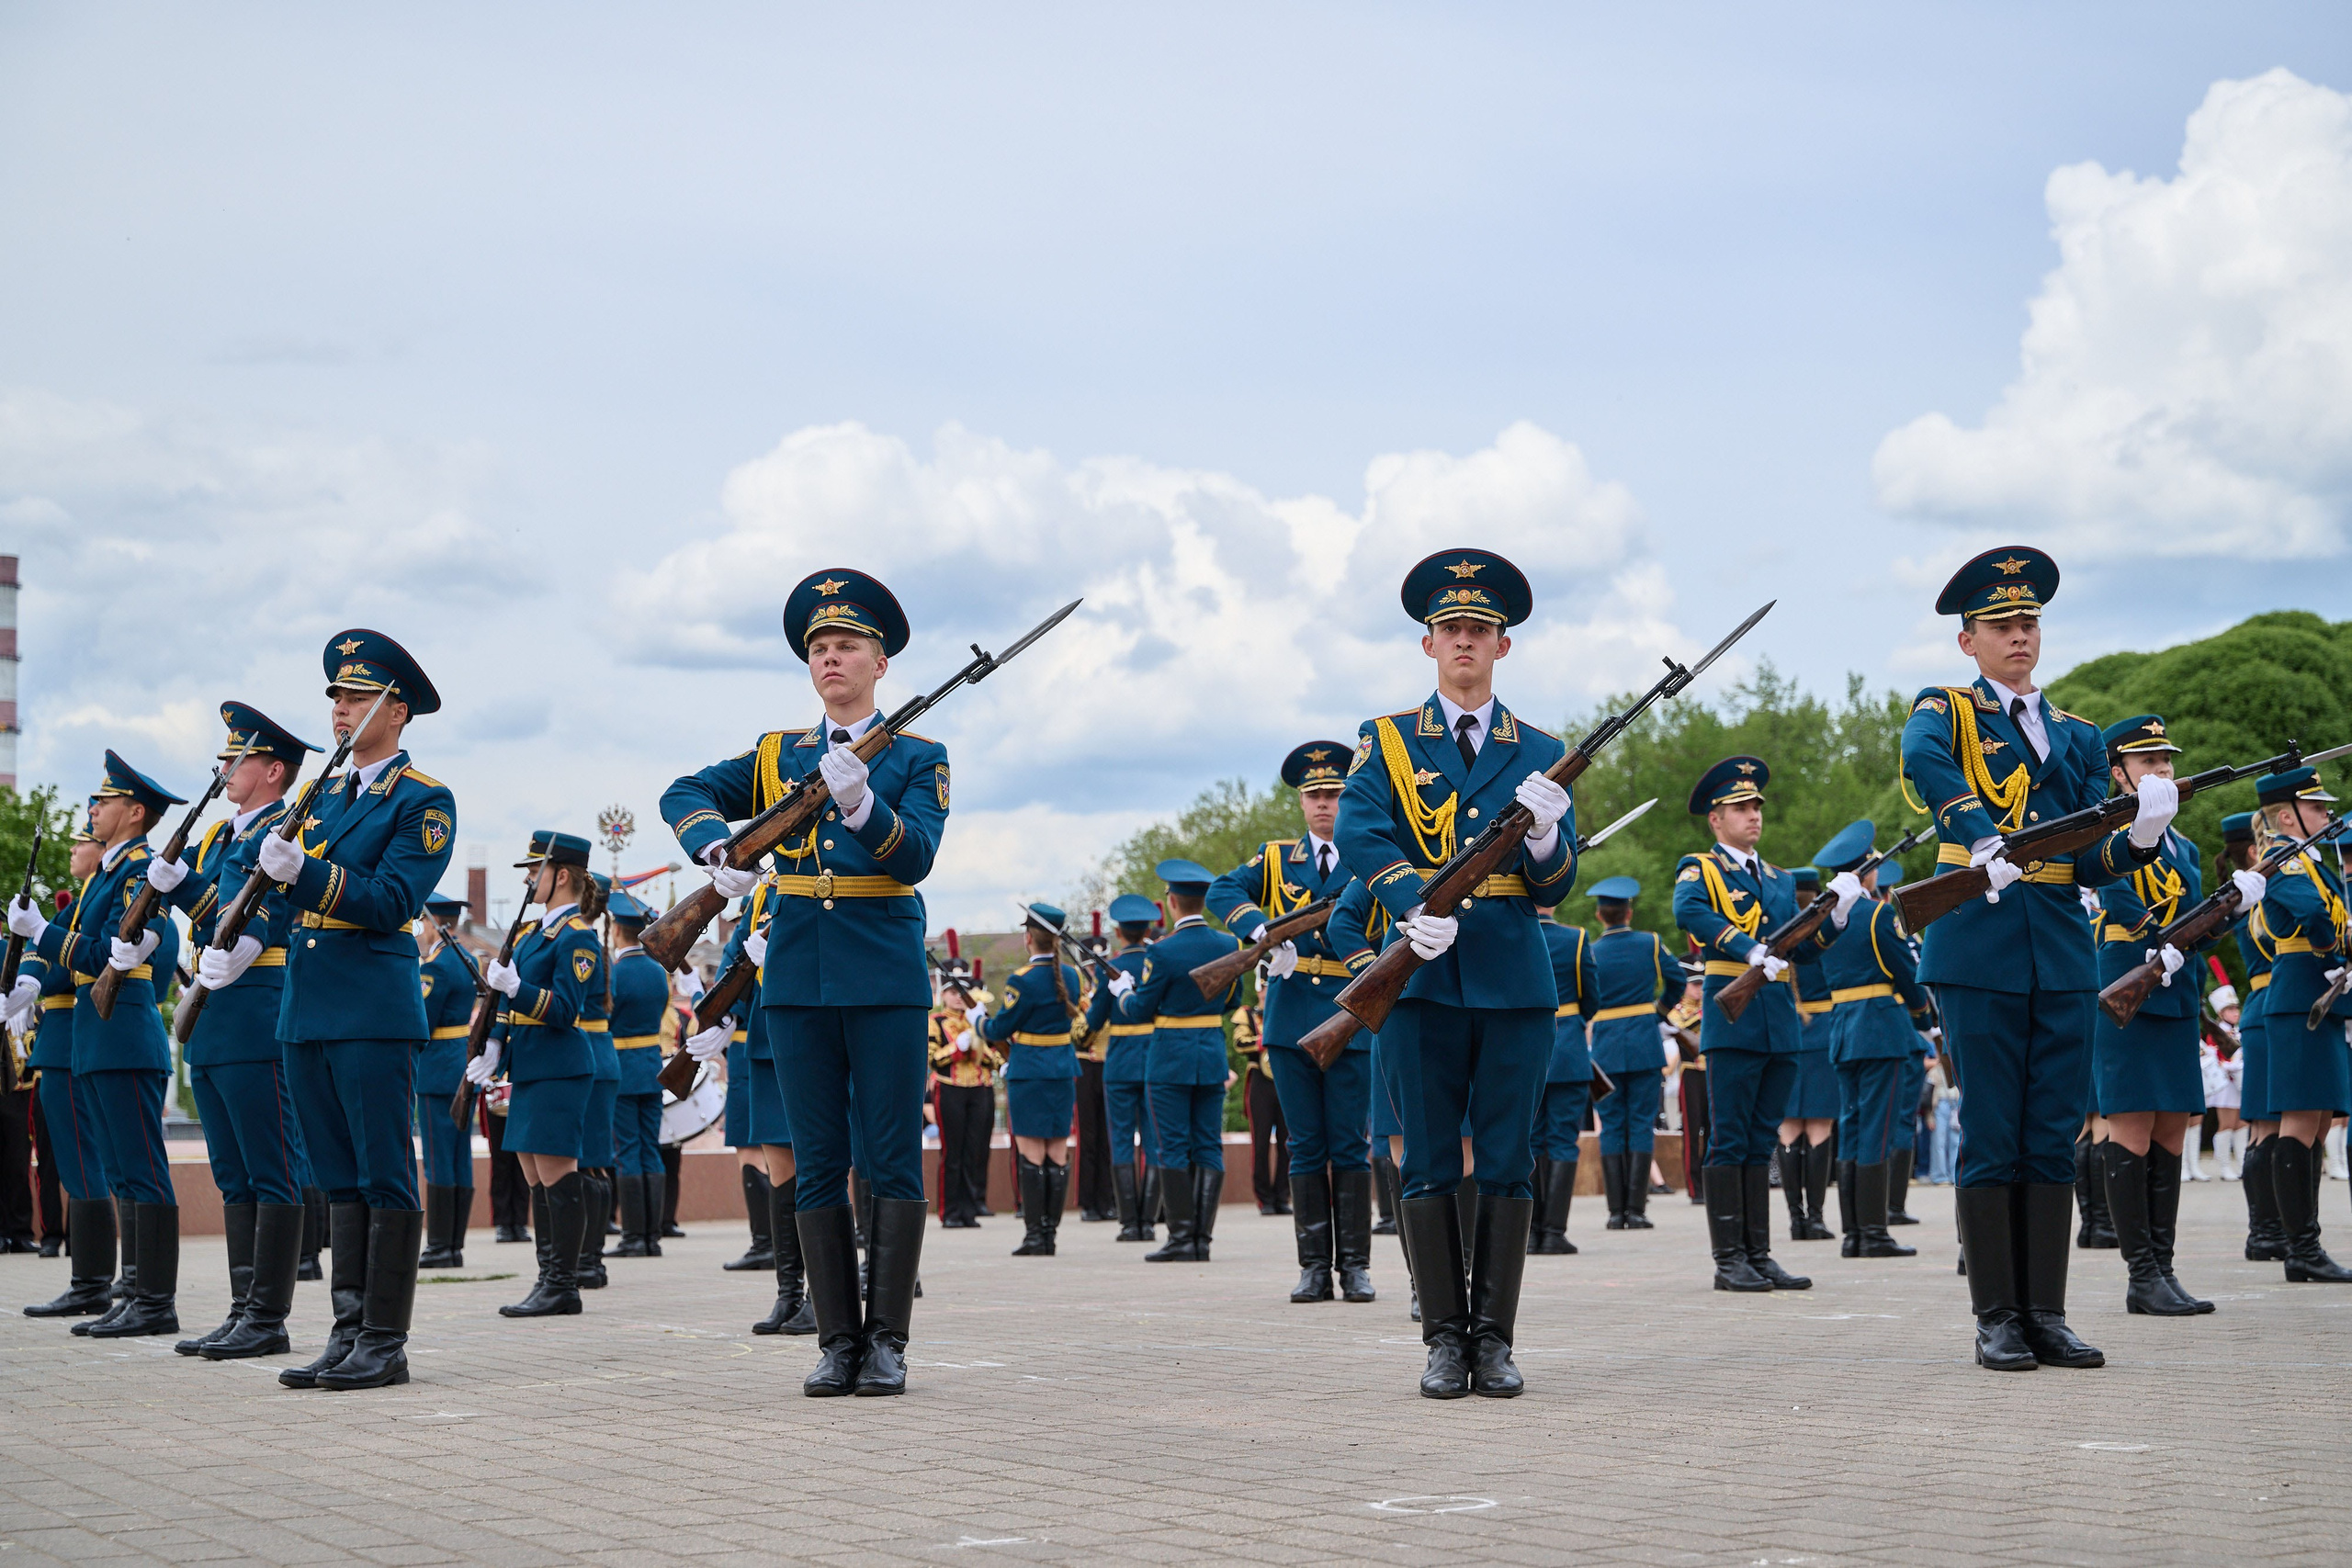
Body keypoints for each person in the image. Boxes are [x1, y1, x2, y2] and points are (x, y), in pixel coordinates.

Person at [662, 567, 947, 1397]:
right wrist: (718, 842)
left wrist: (864, 809)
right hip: (797, 976)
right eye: (819, 647)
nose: (831, 657)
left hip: (886, 973)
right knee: (818, 1161)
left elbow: (917, 856)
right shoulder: (776, 755)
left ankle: (887, 1341)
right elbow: (685, 791)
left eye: (847, 644)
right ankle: (835, 1341)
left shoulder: (920, 757)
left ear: (880, 663)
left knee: (890, 1159)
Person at [1899, 548, 2165, 1372]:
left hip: (2056, 947)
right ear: (1969, 640)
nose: (2021, 635)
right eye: (2003, 624)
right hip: (1976, 942)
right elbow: (1923, 763)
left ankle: (2045, 1311)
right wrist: (1978, 830)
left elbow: (2085, 860)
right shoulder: (1943, 709)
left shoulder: (2081, 735)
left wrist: (2139, 840)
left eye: (2030, 622)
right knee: (1991, 1128)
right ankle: (1997, 1317)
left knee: (2050, 1132)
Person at [1332, 548, 1577, 1400]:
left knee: (1508, 1161)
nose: (1465, 642)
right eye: (1451, 630)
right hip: (1422, 977)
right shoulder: (1389, 739)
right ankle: (1443, 1340)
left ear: (1502, 647)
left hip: (1512, 978)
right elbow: (1363, 831)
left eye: (1480, 630)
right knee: (1431, 1161)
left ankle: (1496, 1341)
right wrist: (1411, 901)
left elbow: (1554, 881)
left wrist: (1546, 834)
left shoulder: (1541, 748)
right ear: (1429, 645)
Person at [145, 705, 322, 1357]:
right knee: (233, 1173)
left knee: (270, 1167)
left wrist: (244, 933)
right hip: (215, 1007)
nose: (225, 768)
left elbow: (267, 908)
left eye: (237, 758)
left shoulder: (285, 827)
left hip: (258, 1008)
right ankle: (242, 1306)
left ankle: (268, 1318)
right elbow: (213, 910)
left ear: (273, 770)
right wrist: (183, 883)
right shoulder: (221, 835)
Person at [11, 752, 187, 1338]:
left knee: (142, 1172)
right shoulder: (107, 875)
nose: (93, 809)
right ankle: (133, 1292)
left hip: (123, 1031)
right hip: (93, 1034)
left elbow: (104, 953)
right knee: (120, 1168)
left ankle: (154, 1301)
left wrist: (42, 933)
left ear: (135, 813)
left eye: (105, 802)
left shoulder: (139, 871)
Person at [1206, 740, 1375, 1299]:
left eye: (1334, 793)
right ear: (1301, 803)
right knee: (1305, 1146)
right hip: (1290, 1017)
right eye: (1315, 795)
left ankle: (1354, 1266)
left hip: (1350, 1014)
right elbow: (1222, 889)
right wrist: (1258, 931)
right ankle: (1312, 1267)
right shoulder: (1278, 859)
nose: (1325, 804)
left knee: (1349, 1145)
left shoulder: (1372, 853)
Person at [1673, 755, 1844, 1293]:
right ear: (1715, 819)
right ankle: (1729, 1259)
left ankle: (1759, 1254)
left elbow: (1804, 949)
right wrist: (1748, 949)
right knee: (1728, 1138)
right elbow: (1691, 912)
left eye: (1756, 807)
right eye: (1740, 807)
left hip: (1777, 1020)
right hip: (1734, 1015)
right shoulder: (1700, 867)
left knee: (1759, 1139)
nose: (1753, 815)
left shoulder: (1779, 877)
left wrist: (1836, 915)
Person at [2088, 715, 2236, 1315]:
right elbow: (2118, 892)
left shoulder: (2185, 843)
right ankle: (2140, 1273)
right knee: (2130, 1124)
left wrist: (2229, 906)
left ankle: (2164, 1268)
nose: (2164, 772)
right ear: (2119, 774)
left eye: (2167, 761)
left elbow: (2198, 919)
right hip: (2129, 983)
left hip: (2175, 993)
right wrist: (2159, 939)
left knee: (2173, 1127)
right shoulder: (2109, 830)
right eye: (2150, 763)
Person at [469, 832, 603, 1320]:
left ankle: (563, 1284)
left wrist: (519, 989)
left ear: (560, 875)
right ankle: (548, 1277)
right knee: (534, 1176)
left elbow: (565, 1010)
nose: (528, 879)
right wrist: (495, 1046)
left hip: (561, 1066)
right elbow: (505, 1002)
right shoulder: (531, 935)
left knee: (556, 1175)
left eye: (534, 870)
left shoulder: (578, 937)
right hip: (529, 1065)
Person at [684, 875, 812, 1335]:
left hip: (813, 1036)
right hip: (764, 1040)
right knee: (779, 1170)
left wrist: (778, 957)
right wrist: (727, 1011)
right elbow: (735, 960)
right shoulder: (764, 892)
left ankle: (822, 1293)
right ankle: (788, 1293)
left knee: (818, 1167)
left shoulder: (827, 874)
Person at [2246, 766, 2352, 1283]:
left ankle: (2305, 1246)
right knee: (2299, 1121)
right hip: (2300, 991)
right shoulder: (2281, 858)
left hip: (2322, 993)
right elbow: (2311, 912)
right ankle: (2300, 1248)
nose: (2326, 815)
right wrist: (2333, 950)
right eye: (2316, 807)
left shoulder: (2310, 858)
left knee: (2314, 1123)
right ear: (2287, 815)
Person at [1110, 861, 1241, 1264]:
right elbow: (1233, 1001)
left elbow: (1141, 1010)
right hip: (1211, 1053)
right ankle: (1202, 1238)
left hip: (1169, 1059)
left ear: (1171, 903)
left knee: (1172, 1146)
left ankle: (1182, 1237)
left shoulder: (1162, 952)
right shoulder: (1228, 945)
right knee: (1208, 1144)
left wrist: (1123, 992)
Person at [1811, 820, 1931, 1260]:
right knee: (1877, 1131)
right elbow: (1907, 973)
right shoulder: (1879, 914)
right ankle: (1874, 1232)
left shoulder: (1826, 918)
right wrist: (1923, 1016)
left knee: (1855, 1128)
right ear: (1868, 870)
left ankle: (1854, 1234)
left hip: (1842, 1027)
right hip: (1880, 1029)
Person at [17, 807, 119, 1320]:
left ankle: (95, 1282)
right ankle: (89, 1280)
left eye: (82, 842)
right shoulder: (74, 906)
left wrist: (34, 981)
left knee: (86, 1164)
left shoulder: (97, 901)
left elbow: (70, 963)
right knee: (78, 1168)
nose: (75, 850)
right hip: (60, 1043)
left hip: (77, 1038)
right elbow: (41, 952)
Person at [974, 903, 1086, 1258]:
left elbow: (1000, 1028)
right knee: (1057, 1151)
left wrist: (979, 1020)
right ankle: (1050, 1235)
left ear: (1028, 939)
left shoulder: (1021, 980)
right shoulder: (1071, 976)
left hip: (1030, 1072)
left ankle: (1035, 1235)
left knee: (1032, 1154)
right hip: (1062, 1069)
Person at [1582, 877, 1675, 1232]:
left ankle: (1614, 1211)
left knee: (1611, 1127)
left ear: (1600, 915)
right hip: (1643, 1043)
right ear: (1629, 912)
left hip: (1605, 1045)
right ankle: (1636, 1210)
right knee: (1640, 1124)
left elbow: (1585, 992)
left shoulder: (1590, 950)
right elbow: (1676, 981)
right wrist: (1659, 1011)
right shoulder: (1650, 943)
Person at [1085, 894, 1160, 1242]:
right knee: (1154, 1140)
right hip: (1155, 1059)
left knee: (1120, 1139)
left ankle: (1130, 1223)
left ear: (1118, 932)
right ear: (1148, 929)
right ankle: (1150, 1219)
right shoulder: (1159, 961)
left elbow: (1094, 1020)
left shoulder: (1110, 970)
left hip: (1119, 1062)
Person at [1530, 894, 1599, 1254]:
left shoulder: (1513, 933)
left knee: (1527, 1141)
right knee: (1561, 1141)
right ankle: (1554, 1233)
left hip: (1522, 1048)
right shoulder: (1576, 938)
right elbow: (1592, 999)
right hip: (1568, 1048)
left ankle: (1528, 1233)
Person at [605, 886, 671, 1258]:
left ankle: (633, 1237)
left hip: (622, 1069)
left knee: (627, 1151)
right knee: (651, 1149)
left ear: (617, 930)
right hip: (650, 1066)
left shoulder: (616, 974)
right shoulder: (657, 972)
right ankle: (652, 1237)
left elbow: (607, 1017)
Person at [414, 894, 477, 1269]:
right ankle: (453, 1244)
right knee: (460, 1156)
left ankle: (440, 1245)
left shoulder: (435, 967)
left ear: (433, 923)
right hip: (461, 1065)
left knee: (439, 1158)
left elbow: (423, 1020)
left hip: (438, 1068)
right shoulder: (467, 958)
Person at [1778, 867, 1839, 1243]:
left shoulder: (1777, 933)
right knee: (1819, 1128)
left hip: (1787, 1029)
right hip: (1826, 1030)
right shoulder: (1828, 932)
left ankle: (1795, 1219)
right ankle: (1815, 1218)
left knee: (1788, 1128)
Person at [929, 957, 1000, 1228]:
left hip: (979, 1089)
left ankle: (970, 1210)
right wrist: (957, 1047)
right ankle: (950, 1211)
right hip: (950, 1090)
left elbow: (994, 1055)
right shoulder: (935, 1022)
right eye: (952, 992)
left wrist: (989, 1056)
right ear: (943, 994)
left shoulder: (978, 1019)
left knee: (974, 1151)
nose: (958, 997)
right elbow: (933, 1059)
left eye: (962, 992)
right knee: (953, 1153)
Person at [1232, 1002, 1290, 1215]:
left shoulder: (1285, 1009)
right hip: (1259, 1080)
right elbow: (1239, 1042)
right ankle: (1264, 1198)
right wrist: (1266, 1040)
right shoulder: (1247, 1013)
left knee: (1287, 1141)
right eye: (1264, 986)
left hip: (1285, 1077)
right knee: (1260, 1141)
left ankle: (1283, 1196)